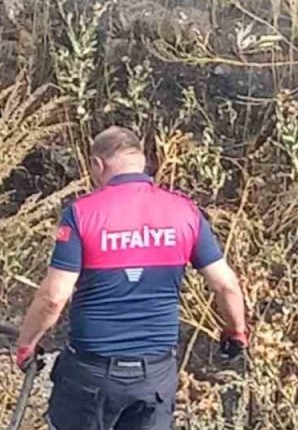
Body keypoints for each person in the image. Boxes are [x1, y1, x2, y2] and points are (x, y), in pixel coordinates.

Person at [15, 126, 249, 430]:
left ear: (98, 165)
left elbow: (53, 298)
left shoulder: (81, 214)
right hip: (154, 377)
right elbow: (225, 285)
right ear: (141, 161)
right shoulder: (184, 212)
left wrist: (26, 345)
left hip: (91, 375)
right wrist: (237, 332)